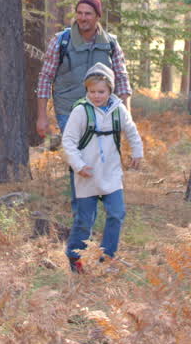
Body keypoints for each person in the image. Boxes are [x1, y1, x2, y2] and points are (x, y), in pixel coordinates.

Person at [62, 63, 144, 273]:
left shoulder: (119, 110)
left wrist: (137, 151)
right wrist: (78, 165)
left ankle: (107, 258)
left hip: (111, 173)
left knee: (116, 213)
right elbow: (68, 141)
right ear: (86, 90)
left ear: (110, 90)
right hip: (86, 174)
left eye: (101, 92)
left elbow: (131, 130)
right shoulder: (81, 111)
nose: (96, 96)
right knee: (84, 221)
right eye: (92, 91)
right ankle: (75, 257)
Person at [35, 0, 132, 145]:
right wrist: (42, 116)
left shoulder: (111, 44)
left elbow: (121, 78)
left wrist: (126, 115)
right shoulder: (60, 41)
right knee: (78, 154)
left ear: (97, 16)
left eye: (88, 14)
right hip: (69, 111)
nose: (82, 17)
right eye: (79, 13)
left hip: (103, 112)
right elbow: (45, 78)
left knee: (100, 155)